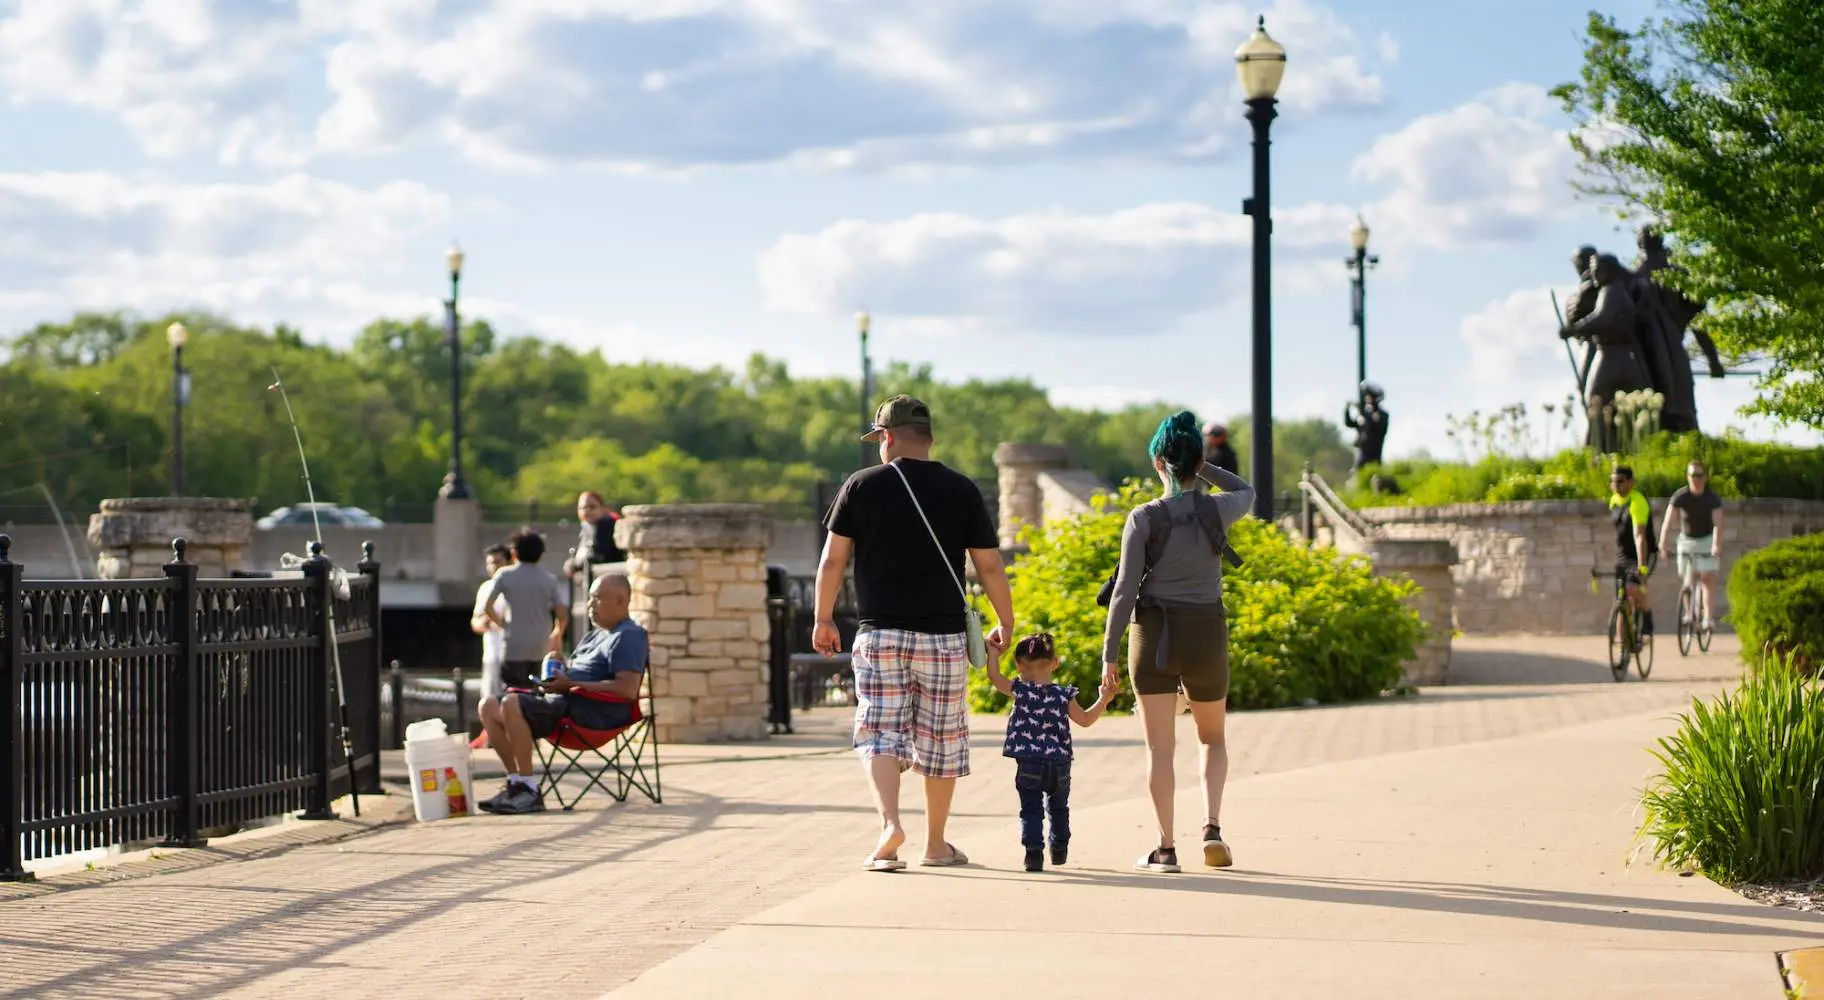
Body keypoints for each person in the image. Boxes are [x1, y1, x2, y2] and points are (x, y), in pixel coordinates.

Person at [812, 394, 1015, 871]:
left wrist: (823, 619)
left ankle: (889, 825)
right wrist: (1005, 619)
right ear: (929, 437)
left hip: (880, 634)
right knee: (941, 738)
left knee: (880, 730)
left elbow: (833, 560)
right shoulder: (962, 490)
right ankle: (936, 844)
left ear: (886, 437)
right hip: (943, 638)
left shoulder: (860, 486)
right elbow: (988, 564)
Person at [1102, 410, 1254, 874]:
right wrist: (1199, 466)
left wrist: (1109, 654)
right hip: (1206, 633)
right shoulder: (1218, 508)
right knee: (1212, 738)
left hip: (1154, 637)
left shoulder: (1143, 517)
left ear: (1156, 462)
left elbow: (1125, 591)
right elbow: (1246, 491)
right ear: (1196, 460)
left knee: (1160, 750)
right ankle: (1212, 827)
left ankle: (1165, 849)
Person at [477, 573, 647, 815]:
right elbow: (583, 671)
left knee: (512, 703)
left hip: (591, 714)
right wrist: (559, 663)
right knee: (488, 705)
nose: (589, 605)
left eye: (597, 599)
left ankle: (528, 791)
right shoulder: (595, 634)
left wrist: (571, 683)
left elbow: (627, 689)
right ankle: (516, 783)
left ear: (621, 601)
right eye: (589, 598)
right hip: (563, 701)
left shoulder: (628, 635)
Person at [980, 632, 1118, 872]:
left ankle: (1034, 853)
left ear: (1019, 665)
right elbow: (1085, 720)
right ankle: (1059, 847)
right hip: (1060, 763)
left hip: (1029, 762)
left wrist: (993, 654)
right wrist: (1103, 699)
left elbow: (994, 677)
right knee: (1058, 807)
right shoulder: (1063, 695)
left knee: (1031, 809)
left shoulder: (1020, 690)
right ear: (1055, 663)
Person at [480, 528, 570, 691]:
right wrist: (557, 631)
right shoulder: (549, 579)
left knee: (512, 690)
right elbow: (562, 613)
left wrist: (501, 624)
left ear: (514, 553)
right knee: (537, 689)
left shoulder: (504, 575)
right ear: (541, 554)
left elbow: (488, 606)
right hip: (540, 644)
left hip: (513, 645)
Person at [1660, 460, 1723, 630]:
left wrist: (1716, 545)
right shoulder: (1680, 496)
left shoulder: (1712, 498)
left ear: (1705, 477)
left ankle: (1708, 618)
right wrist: (1663, 545)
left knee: (1707, 578)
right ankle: (1688, 614)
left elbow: (1718, 524)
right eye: (1692, 475)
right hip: (1687, 541)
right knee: (1688, 579)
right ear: (1687, 477)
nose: (1695, 479)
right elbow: (1668, 522)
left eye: (1699, 475)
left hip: (1707, 540)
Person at [467, 543, 512, 749]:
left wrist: (499, 621)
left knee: (509, 699)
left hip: (511, 653)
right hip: (491, 653)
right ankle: (492, 740)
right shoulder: (485, 588)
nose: (493, 566)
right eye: (490, 563)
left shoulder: (513, 586)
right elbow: (476, 621)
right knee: (488, 698)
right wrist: (483, 623)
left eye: (497, 562)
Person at [1608, 465, 1658, 645]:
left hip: (1644, 553)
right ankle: (1623, 645)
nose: (1616, 485)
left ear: (1631, 482)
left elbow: (1639, 536)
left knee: (1631, 588)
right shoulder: (1614, 501)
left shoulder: (1637, 502)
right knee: (1621, 598)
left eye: (1620, 481)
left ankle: (1647, 620)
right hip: (1622, 555)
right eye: (1613, 482)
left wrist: (1642, 566)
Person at [565, 490, 625, 575]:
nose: (587, 511)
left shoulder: (605, 525)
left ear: (602, 508)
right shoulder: (587, 527)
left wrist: (575, 564)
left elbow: (600, 556)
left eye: (592, 507)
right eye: (582, 508)